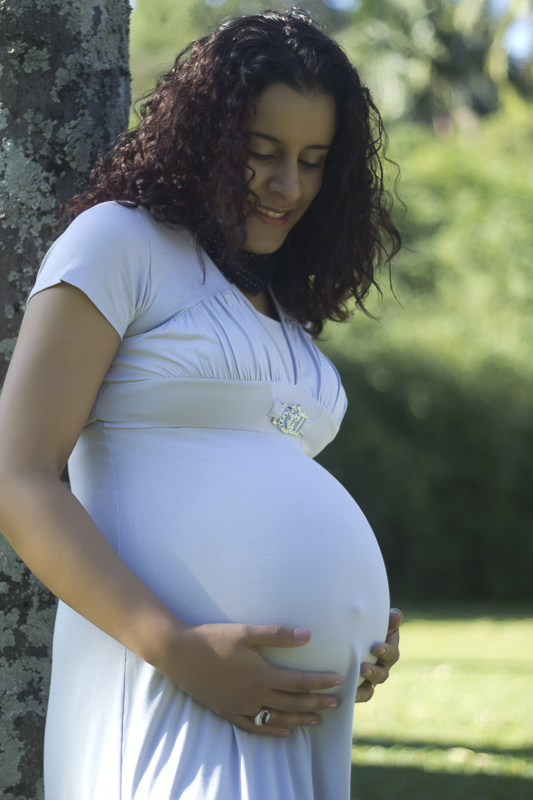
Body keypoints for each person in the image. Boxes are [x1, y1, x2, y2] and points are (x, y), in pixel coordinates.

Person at [0, 9, 404, 800]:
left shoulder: (284, 313)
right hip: (162, 687)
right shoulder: (120, 243)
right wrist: (179, 650)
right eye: (261, 153)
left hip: (297, 717)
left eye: (312, 161)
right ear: (205, 136)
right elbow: (18, 476)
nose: (287, 185)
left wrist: (353, 638)